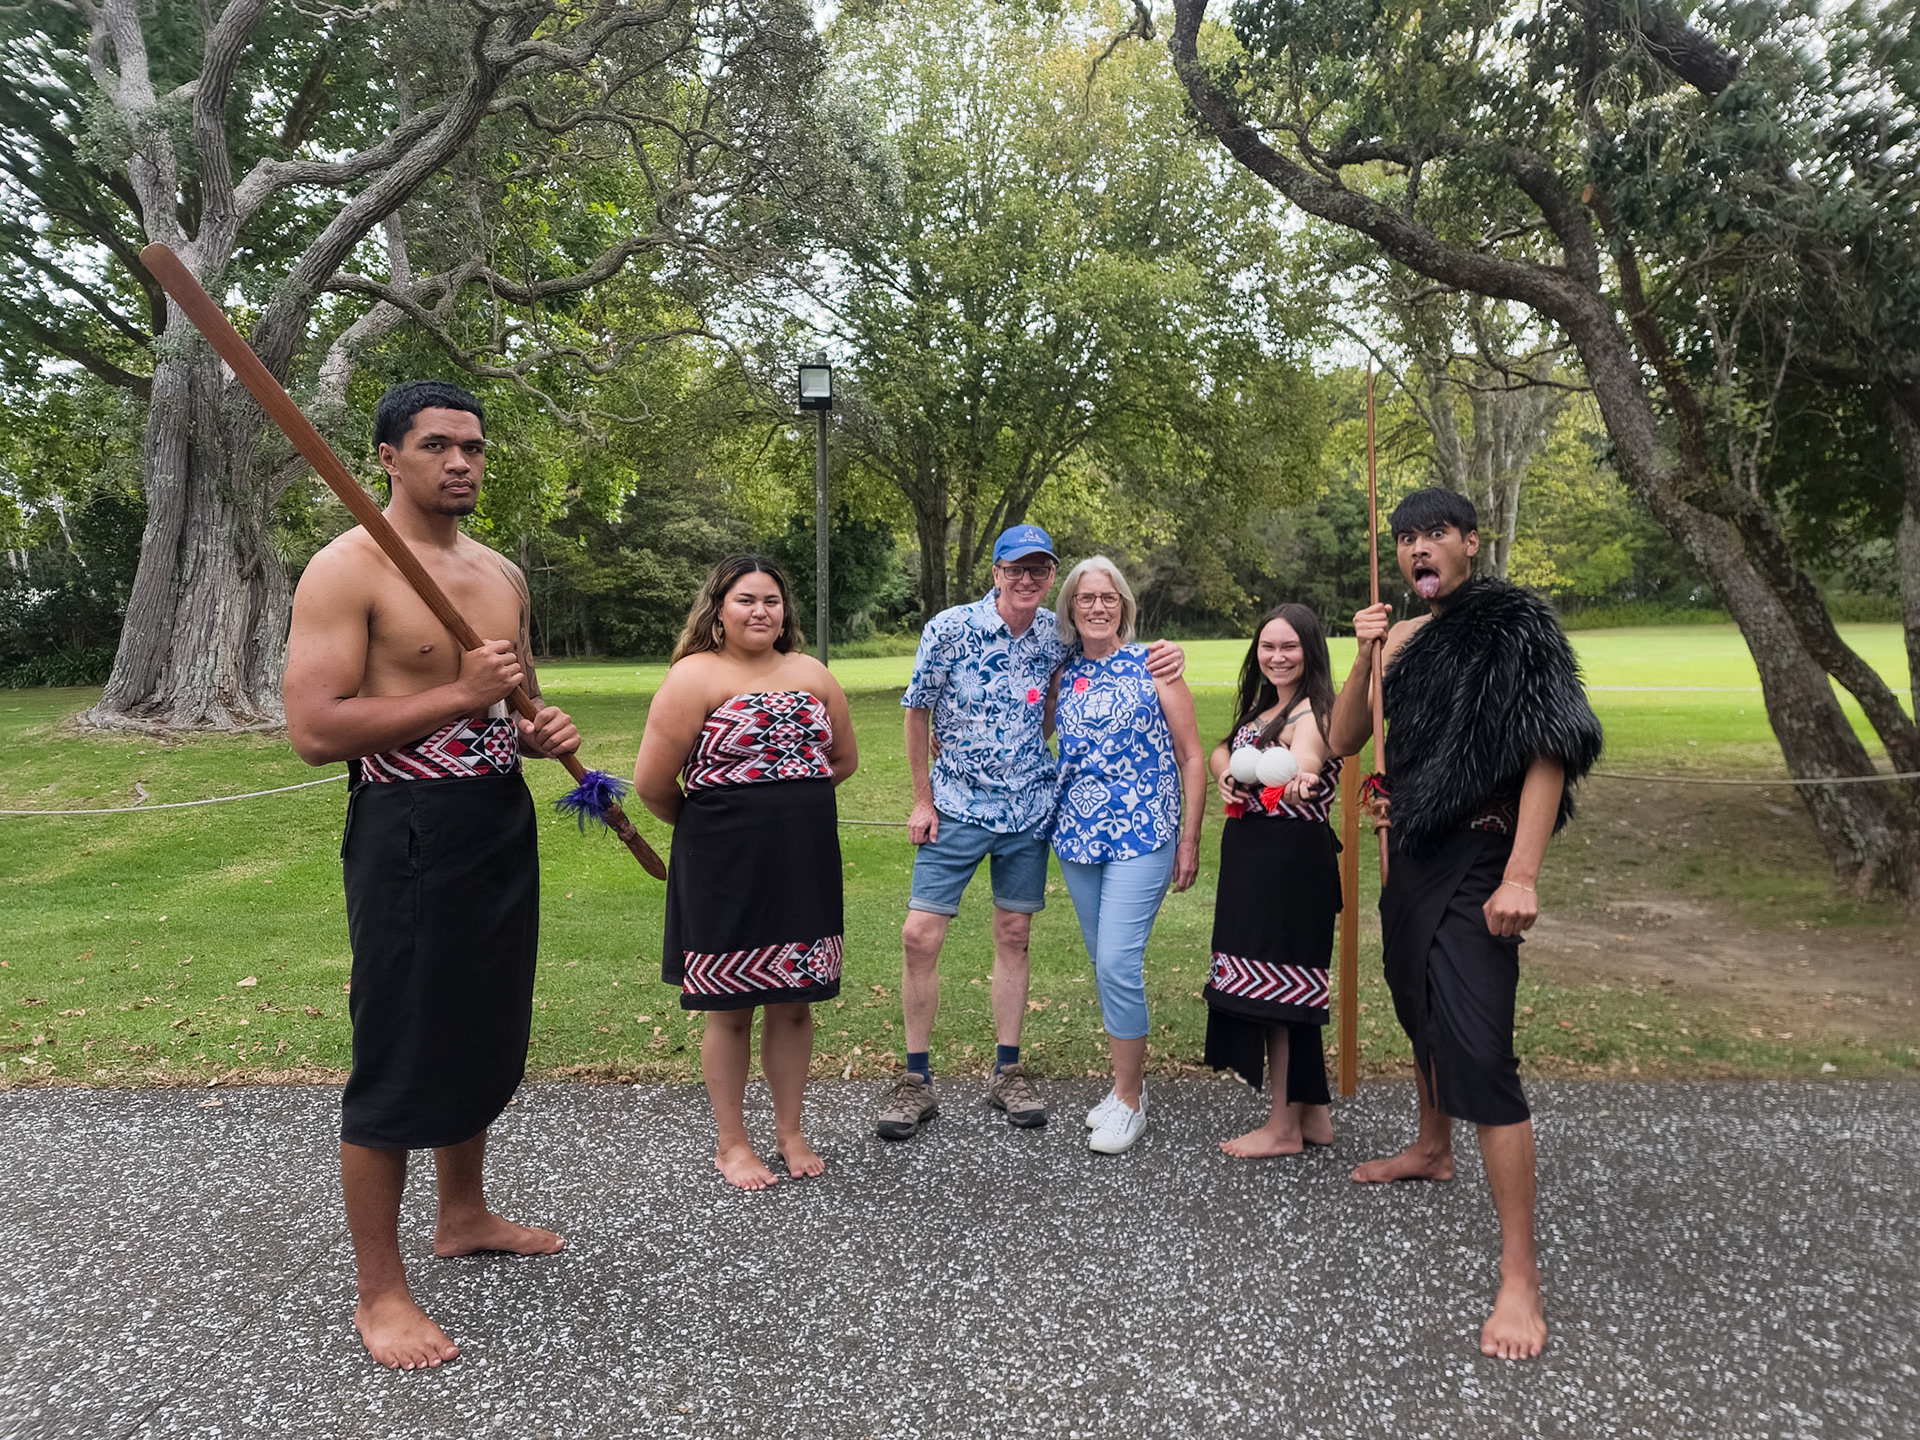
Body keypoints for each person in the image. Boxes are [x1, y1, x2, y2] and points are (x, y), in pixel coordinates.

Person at [284, 380, 580, 1371]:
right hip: (407, 826)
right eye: (438, 445)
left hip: (496, 818)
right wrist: (459, 691)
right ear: (388, 458)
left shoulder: (499, 574)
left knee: (481, 1024)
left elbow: (512, 707)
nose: (461, 462)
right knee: (402, 1046)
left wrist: (540, 732)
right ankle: (380, 1294)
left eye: (474, 447)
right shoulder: (346, 570)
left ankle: (464, 1214)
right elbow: (314, 730)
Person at [1328, 488, 1602, 1362]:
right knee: (1418, 1006)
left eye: (1435, 534)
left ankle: (1520, 1275)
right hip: (1411, 852)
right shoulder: (1397, 639)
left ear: (1470, 544)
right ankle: (1431, 1145)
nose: (1418, 548)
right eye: (1406, 537)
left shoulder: (1516, 624)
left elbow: (1552, 746)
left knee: (1479, 1047)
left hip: (1483, 853)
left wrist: (1523, 873)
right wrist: (1362, 655)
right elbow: (1344, 739)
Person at [875, 524, 1184, 1141]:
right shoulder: (949, 628)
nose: (1027, 579)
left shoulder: (1056, 635)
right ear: (995, 572)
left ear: (1050, 579)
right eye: (1015, 568)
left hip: (1029, 812)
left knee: (1014, 932)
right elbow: (916, 712)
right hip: (955, 806)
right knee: (919, 934)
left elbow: (1084, 680)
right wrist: (922, 797)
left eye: (1039, 570)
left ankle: (1007, 1070)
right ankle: (915, 1080)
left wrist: (1166, 654)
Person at [633, 555, 856, 1191]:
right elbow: (653, 785)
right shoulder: (693, 678)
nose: (761, 611)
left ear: (786, 611)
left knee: (792, 1003)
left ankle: (790, 1131)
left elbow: (842, 759)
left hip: (804, 860)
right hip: (721, 866)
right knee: (729, 1008)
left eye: (772, 601)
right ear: (718, 609)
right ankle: (732, 1143)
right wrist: (720, 823)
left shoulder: (812, 674)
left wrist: (787, 800)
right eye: (745, 600)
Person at [1045, 557, 1205, 1155]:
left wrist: (1189, 838)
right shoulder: (1062, 673)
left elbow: (1192, 757)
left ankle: (1132, 1103)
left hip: (1144, 834)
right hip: (1079, 839)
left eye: (1107, 598)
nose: (1096, 607)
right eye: (1085, 598)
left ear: (1124, 606)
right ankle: (1122, 1087)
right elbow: (1031, 734)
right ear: (1070, 607)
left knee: (1117, 961)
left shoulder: (1155, 666)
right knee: (1103, 961)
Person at [1204, 603, 1343, 1158]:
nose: (1277, 656)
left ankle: (1283, 1130)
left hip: (1287, 865)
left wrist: (1301, 778)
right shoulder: (1266, 707)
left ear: (1310, 650)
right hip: (1256, 862)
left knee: (1284, 991)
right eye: (1268, 646)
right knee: (1285, 986)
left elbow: (1307, 758)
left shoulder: (1315, 712)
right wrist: (1224, 774)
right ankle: (1313, 1117)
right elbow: (1225, 748)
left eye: (1289, 647)